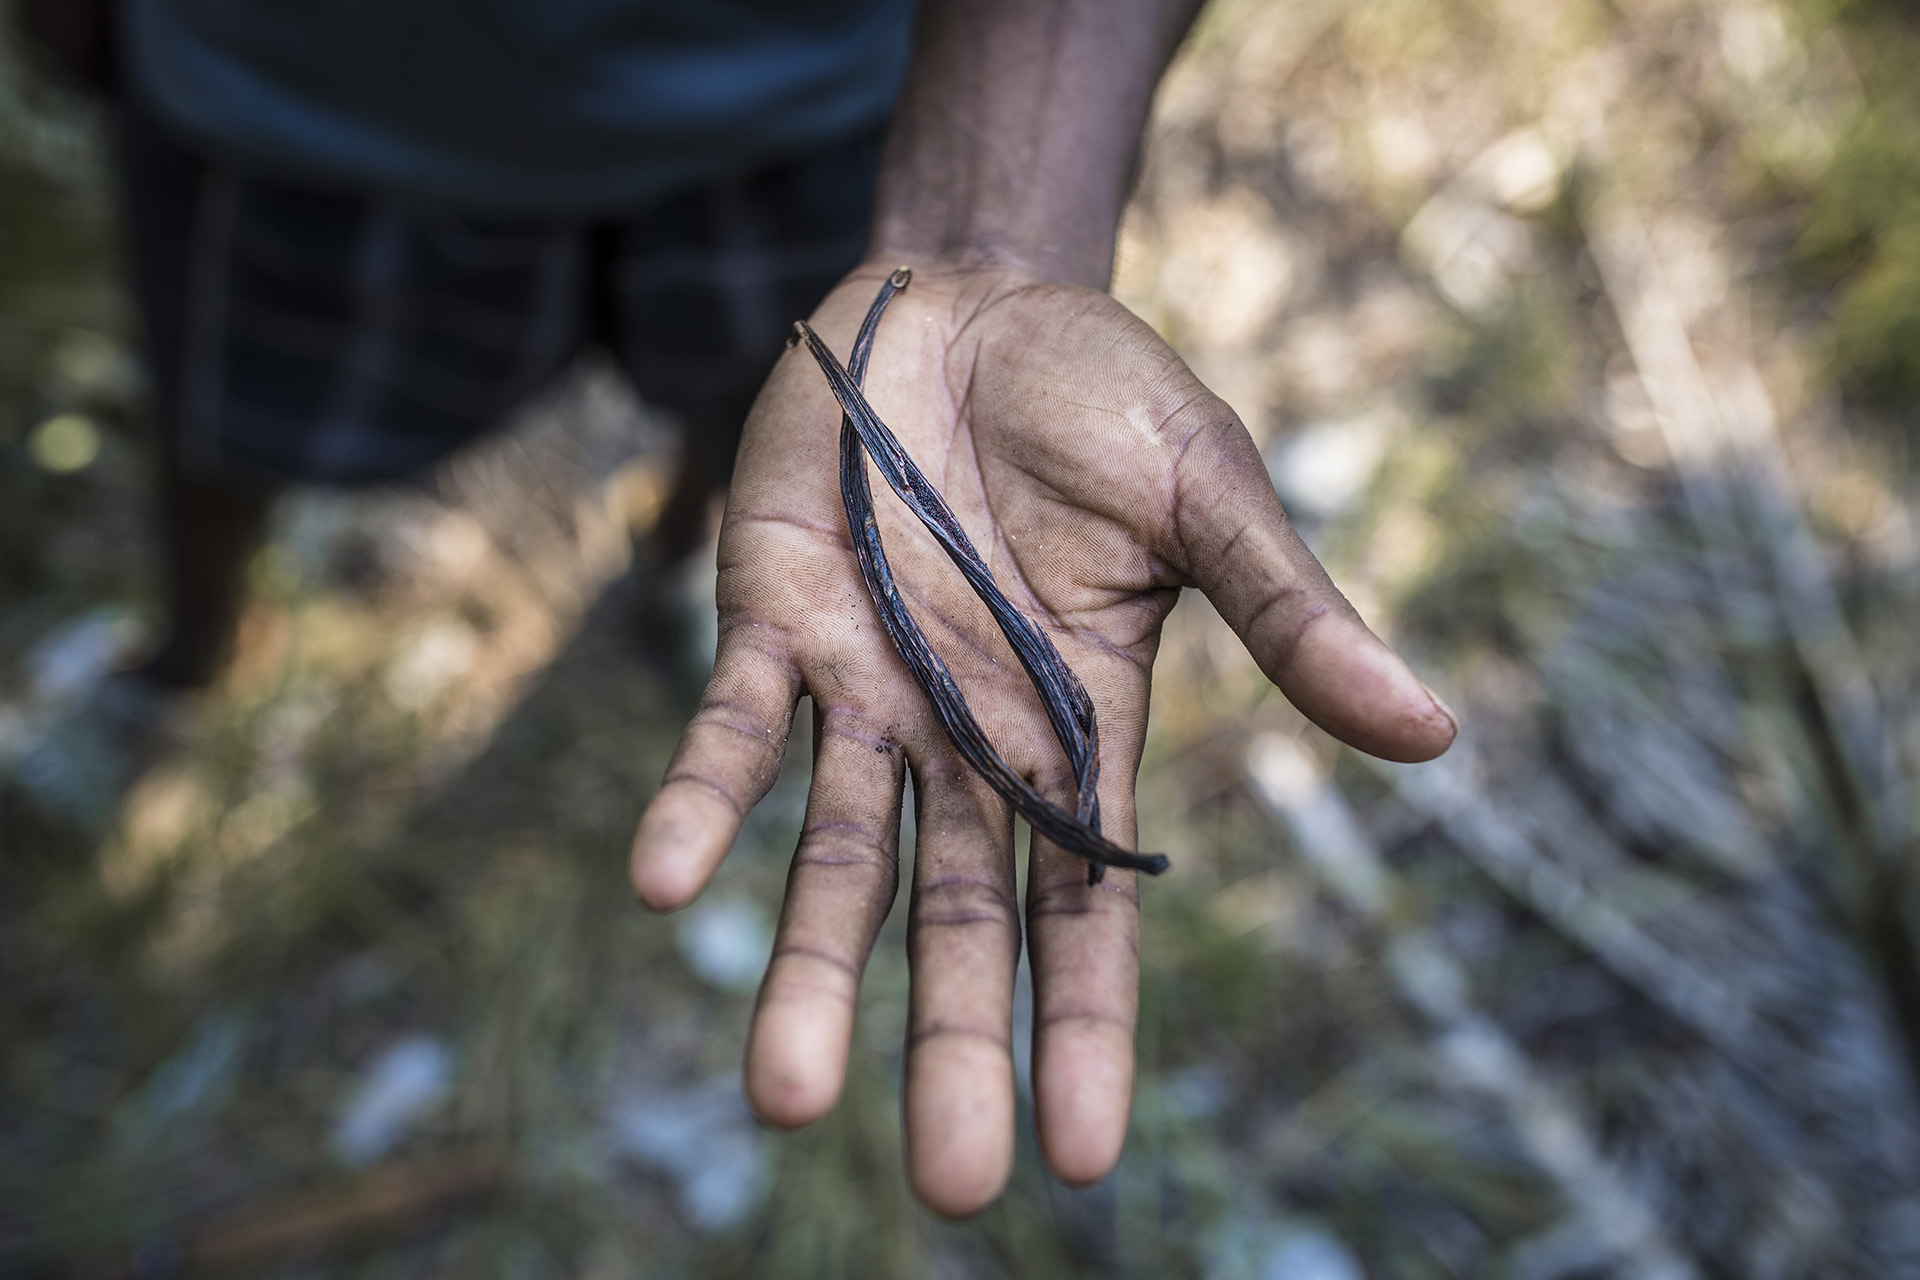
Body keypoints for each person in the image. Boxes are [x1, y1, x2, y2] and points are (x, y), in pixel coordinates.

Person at [25, 0, 1456, 1218]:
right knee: (236, 424)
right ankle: (189, 656)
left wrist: (989, 233)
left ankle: (666, 580)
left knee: (758, 444)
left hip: (829, 109)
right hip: (287, 104)